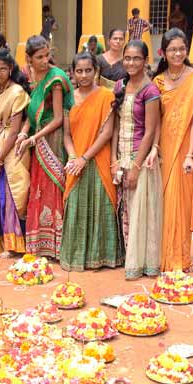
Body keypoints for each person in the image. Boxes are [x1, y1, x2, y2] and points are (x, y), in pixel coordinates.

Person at [59, 52, 122, 272]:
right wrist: (74, 156)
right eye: (79, 71)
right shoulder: (69, 98)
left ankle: (103, 257)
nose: (84, 75)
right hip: (76, 160)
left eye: (88, 70)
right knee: (75, 204)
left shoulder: (106, 96)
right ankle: (76, 257)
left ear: (96, 71)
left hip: (98, 158)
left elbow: (106, 133)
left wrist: (85, 158)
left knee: (101, 205)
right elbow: (67, 135)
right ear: (73, 73)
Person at [153, 28, 193, 273]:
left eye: (181, 49)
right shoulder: (158, 81)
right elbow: (155, 121)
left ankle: (179, 258)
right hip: (163, 147)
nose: (177, 53)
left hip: (185, 147)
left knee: (180, 203)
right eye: (172, 49)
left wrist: (190, 154)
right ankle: (160, 256)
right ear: (163, 53)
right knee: (162, 203)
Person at [17, 36, 73, 259]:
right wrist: (23, 132)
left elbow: (58, 118)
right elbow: (32, 110)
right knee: (37, 188)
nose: (44, 60)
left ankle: (56, 246)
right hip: (37, 137)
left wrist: (33, 138)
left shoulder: (55, 79)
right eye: (39, 57)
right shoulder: (32, 75)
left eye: (46, 55)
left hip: (53, 138)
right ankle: (40, 244)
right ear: (28, 58)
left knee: (51, 188)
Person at [112, 40, 161, 280]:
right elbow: (115, 125)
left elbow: (150, 131)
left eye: (136, 58)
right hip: (121, 156)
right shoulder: (120, 85)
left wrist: (135, 166)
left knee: (140, 211)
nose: (131, 63)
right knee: (126, 212)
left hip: (139, 158)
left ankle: (141, 263)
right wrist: (114, 158)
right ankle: (130, 258)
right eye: (127, 58)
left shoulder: (149, 90)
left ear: (145, 60)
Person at [0, 48, 30, 256]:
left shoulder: (17, 92)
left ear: (10, 69)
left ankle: (17, 244)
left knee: (15, 193)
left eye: (2, 69)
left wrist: (0, 159)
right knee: (1, 194)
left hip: (13, 149)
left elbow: (13, 132)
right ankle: (5, 241)